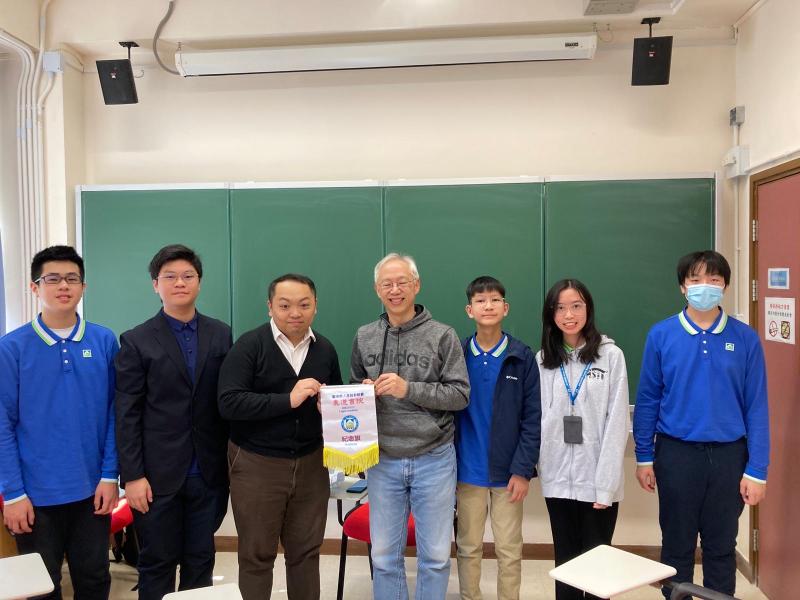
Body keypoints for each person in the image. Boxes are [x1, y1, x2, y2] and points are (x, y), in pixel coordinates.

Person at [633, 250, 769, 598]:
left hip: (729, 457)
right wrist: (644, 456)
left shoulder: (745, 338)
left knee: (721, 548)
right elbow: (648, 399)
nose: (704, 287)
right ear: (683, 286)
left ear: (725, 285)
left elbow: (756, 406)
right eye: (695, 279)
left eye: (713, 280)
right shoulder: (661, 335)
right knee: (676, 548)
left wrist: (757, 470)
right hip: (676, 455)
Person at [0, 245, 119, 599]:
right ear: (35, 287)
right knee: (39, 586)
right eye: (52, 279)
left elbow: (116, 413)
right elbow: (3, 424)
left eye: (72, 278)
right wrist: (14, 494)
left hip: (92, 491)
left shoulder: (103, 341)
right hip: (34, 495)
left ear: (84, 287)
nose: (63, 286)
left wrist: (109, 475)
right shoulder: (12, 347)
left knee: (95, 578)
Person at [350, 252, 470, 600]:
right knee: (384, 556)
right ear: (377, 289)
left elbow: (460, 395)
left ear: (416, 285)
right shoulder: (364, 336)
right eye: (387, 283)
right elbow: (355, 391)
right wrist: (362, 394)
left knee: (433, 557)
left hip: (433, 457)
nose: (395, 289)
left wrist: (408, 389)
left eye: (402, 282)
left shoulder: (442, 335)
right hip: (383, 459)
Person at [115, 244, 232, 600]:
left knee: (201, 562)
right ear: (155, 284)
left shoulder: (221, 333)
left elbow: (226, 401)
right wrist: (132, 476)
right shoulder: (136, 340)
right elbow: (127, 413)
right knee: (157, 563)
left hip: (209, 473)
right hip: (155, 477)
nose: (179, 283)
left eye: (188, 276)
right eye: (170, 277)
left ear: (199, 282)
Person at [218, 273, 341, 600]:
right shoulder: (250, 345)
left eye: (304, 304)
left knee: (306, 553)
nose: (295, 313)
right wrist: (288, 399)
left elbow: (336, 408)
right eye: (285, 305)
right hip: (258, 463)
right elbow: (229, 402)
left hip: (312, 463)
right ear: (270, 307)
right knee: (257, 555)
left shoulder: (325, 349)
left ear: (316, 306)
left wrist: (328, 404)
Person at [537, 279, 629, 600]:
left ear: (588, 309)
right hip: (558, 481)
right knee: (566, 565)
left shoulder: (610, 357)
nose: (569, 314)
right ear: (551, 315)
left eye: (576, 305)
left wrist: (604, 485)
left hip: (597, 483)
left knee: (598, 567)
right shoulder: (543, 361)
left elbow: (617, 423)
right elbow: (541, 423)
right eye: (560, 308)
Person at [455, 276, 541, 600]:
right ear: (469, 309)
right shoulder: (458, 354)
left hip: (509, 475)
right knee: (468, 547)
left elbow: (533, 419)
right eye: (480, 300)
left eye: (494, 300)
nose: (487, 305)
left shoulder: (522, 356)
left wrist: (523, 469)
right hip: (467, 472)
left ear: (505, 307)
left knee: (509, 549)